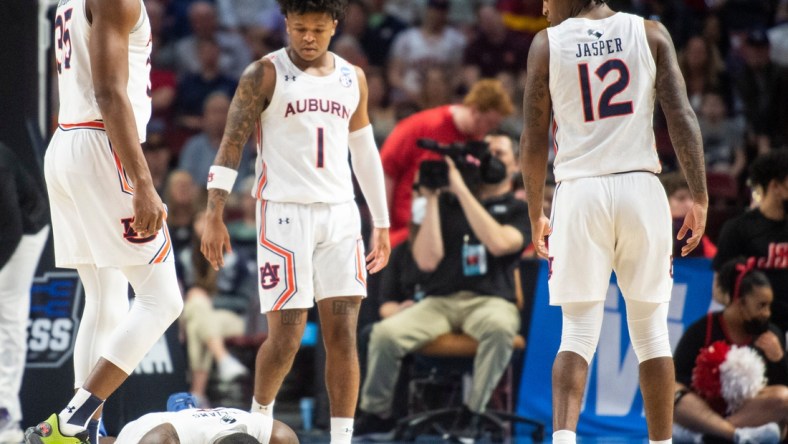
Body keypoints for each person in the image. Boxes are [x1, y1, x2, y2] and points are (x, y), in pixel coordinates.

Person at [200, 1, 391, 443]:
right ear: (285, 24)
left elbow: (364, 153)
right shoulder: (263, 73)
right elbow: (232, 143)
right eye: (300, 27)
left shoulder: (352, 77)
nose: (308, 37)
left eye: (318, 29)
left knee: (343, 333)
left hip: (341, 215)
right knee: (285, 336)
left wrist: (380, 221)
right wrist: (215, 212)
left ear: (334, 27)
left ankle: (342, 438)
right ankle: (258, 423)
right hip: (283, 214)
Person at [519, 1, 709, 443]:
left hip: (580, 192)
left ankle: (564, 439)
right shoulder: (651, 32)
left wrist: (535, 211)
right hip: (641, 189)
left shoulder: (546, 44)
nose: (544, 5)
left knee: (578, 332)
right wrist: (699, 194)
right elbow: (681, 114)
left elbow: (532, 134)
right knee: (652, 334)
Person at [25, 0, 184, 442]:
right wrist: (143, 181)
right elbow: (109, 92)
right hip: (101, 144)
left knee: (104, 295)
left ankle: (85, 434)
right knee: (163, 298)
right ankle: (73, 420)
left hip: (68, 141)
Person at [356, 133, 528, 437]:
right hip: (440, 301)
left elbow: (500, 243)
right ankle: (376, 413)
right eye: (485, 152)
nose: (490, 159)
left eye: (500, 154)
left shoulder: (517, 209)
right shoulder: (449, 201)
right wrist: (431, 199)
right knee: (384, 334)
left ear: (515, 166)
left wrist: (462, 190)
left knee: (501, 329)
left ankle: (473, 413)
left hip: (490, 302)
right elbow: (425, 260)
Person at [381, 79, 514, 248]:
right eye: (488, 123)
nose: (487, 130)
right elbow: (386, 173)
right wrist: (381, 227)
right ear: (474, 110)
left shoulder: (478, 143)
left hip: (450, 238)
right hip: (405, 233)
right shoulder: (421, 126)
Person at [672, 257, 787, 444]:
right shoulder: (703, 329)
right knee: (671, 391)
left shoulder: (771, 334)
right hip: (704, 408)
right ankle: (733, 436)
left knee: (784, 398)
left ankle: (707, 436)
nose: (768, 313)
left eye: (769, 306)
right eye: (761, 306)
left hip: (748, 411)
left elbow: (777, 388)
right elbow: (678, 379)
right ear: (740, 303)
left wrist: (780, 359)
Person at [0, 143, 49, 443]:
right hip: (6, 226)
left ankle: (6, 416)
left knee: (8, 314)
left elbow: (11, 231)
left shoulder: (0, 165)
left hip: (25, 227)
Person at [712, 150, 788, 332]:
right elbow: (719, 289)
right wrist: (746, 315)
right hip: (755, 329)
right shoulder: (738, 229)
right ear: (775, 186)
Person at [107, 405, 297, 444]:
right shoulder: (160, 440)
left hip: (193, 420)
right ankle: (91, 433)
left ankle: (185, 405)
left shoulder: (280, 437)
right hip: (148, 427)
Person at [660, 172, 717, 259]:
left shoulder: (694, 229)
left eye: (693, 198)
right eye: (681, 198)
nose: (690, 204)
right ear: (663, 200)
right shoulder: (656, 230)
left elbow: (715, 259)